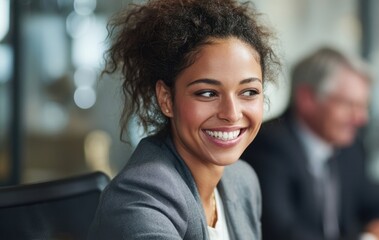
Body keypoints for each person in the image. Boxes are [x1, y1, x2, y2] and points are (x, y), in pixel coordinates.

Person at [88, 0, 279, 239]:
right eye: (207, 93)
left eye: (249, 92)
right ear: (167, 99)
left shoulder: (242, 180)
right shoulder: (140, 198)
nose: (231, 113)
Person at [241, 47, 379, 240]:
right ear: (307, 98)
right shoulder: (268, 145)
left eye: (363, 106)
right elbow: (282, 233)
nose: (361, 119)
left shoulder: (350, 148)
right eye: (349, 105)